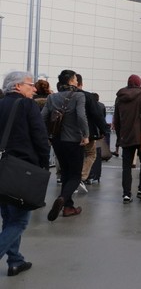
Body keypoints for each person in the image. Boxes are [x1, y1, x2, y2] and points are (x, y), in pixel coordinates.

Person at [0, 71, 50, 277]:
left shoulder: (1, 104)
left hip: (3, 167)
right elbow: (40, 136)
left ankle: (15, 261)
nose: (34, 88)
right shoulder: (27, 105)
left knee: (8, 217)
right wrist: (44, 164)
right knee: (20, 220)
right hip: (23, 168)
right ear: (17, 86)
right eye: (30, 84)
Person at [42, 69, 89, 220]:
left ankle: (68, 207)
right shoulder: (78, 96)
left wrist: (47, 135)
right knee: (75, 175)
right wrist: (86, 135)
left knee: (65, 173)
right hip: (74, 140)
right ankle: (62, 198)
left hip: (57, 141)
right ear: (70, 81)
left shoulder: (52, 97)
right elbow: (81, 116)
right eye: (75, 79)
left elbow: (43, 117)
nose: (77, 81)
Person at [113, 74, 141, 203]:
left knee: (126, 166)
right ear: (139, 83)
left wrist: (119, 137)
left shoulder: (120, 97)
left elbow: (116, 119)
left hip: (126, 135)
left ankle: (126, 194)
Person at [76, 74, 107, 191]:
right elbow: (97, 115)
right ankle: (80, 177)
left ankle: (68, 177)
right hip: (87, 132)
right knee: (91, 154)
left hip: (68, 133)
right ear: (81, 83)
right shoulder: (87, 96)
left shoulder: (63, 96)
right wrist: (103, 130)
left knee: (74, 155)